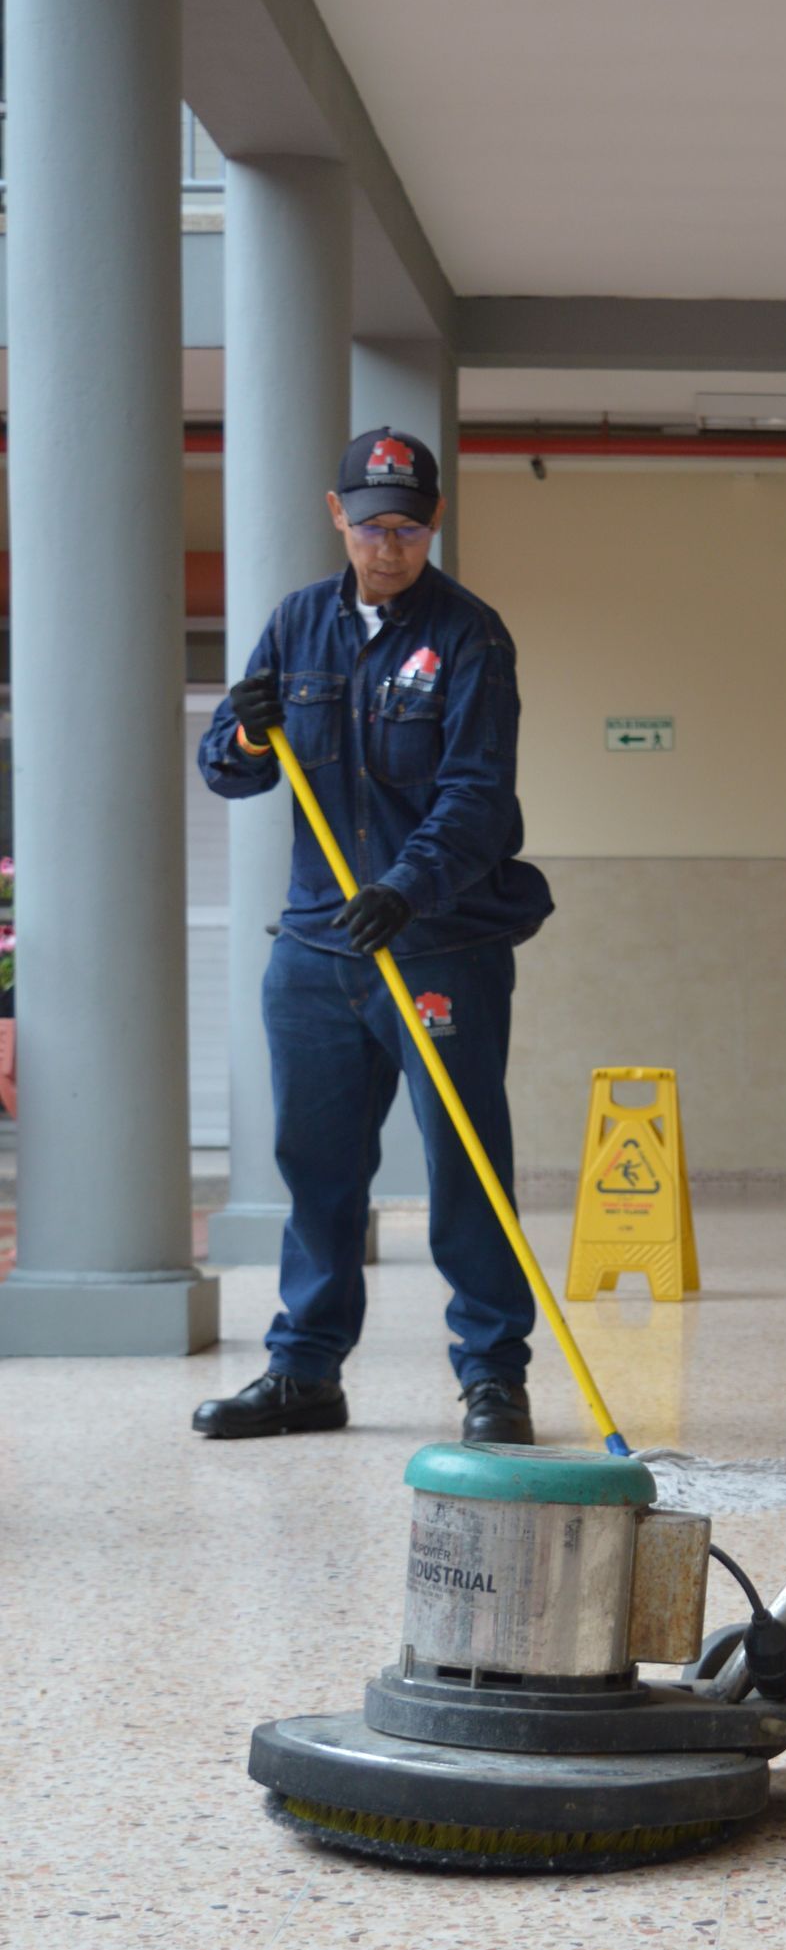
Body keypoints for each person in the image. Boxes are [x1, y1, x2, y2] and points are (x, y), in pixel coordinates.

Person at [193, 428, 553, 1447]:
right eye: (368, 523)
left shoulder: (471, 636)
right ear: (335, 513)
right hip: (314, 950)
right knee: (315, 1168)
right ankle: (305, 1370)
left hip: (438, 941)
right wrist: (249, 727)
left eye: (405, 525)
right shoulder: (297, 623)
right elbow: (229, 768)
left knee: (462, 1164)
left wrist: (405, 887)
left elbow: (478, 799)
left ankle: (493, 1378)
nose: (385, 544)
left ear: (432, 521)